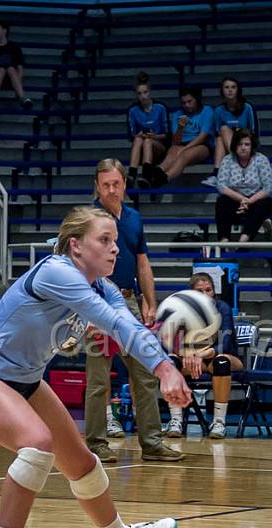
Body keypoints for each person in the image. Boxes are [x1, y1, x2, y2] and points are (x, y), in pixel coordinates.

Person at [0, 206, 192, 528]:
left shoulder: (103, 286)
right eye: (105, 240)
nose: (116, 249)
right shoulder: (57, 272)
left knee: (81, 463)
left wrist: (164, 362)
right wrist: (164, 369)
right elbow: (112, 322)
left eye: (117, 241)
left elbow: (127, 324)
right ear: (75, 246)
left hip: (26, 380)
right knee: (37, 444)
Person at [84, 159, 183, 462]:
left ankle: (152, 443)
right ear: (97, 187)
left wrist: (149, 301)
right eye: (106, 185)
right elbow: (75, 266)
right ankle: (97, 444)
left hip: (130, 303)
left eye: (116, 183)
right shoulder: (86, 219)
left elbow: (142, 262)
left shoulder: (134, 218)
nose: (112, 190)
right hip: (96, 302)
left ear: (125, 184)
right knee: (100, 379)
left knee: (145, 372)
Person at [163, 273, 242, 440]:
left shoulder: (222, 308)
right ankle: (176, 420)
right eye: (200, 291)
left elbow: (225, 343)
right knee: (170, 362)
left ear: (214, 291)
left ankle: (219, 422)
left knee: (222, 361)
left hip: (220, 356)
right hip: (192, 360)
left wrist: (200, 353)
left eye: (209, 290)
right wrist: (185, 353)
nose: (206, 294)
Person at [214, 129, 272, 243]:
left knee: (266, 203)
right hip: (235, 200)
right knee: (222, 201)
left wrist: (250, 201)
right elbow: (221, 186)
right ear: (234, 145)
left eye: (247, 144)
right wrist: (243, 199)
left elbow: (269, 187)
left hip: (256, 200)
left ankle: (244, 239)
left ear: (252, 146)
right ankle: (224, 242)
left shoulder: (261, 159)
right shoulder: (228, 160)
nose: (243, 147)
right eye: (240, 144)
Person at [148, 87, 213, 188]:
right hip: (181, 144)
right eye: (184, 103)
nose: (187, 105)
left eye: (189, 101)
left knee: (184, 155)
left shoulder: (207, 111)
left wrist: (185, 149)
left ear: (197, 99)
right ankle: (156, 172)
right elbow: (176, 142)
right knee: (172, 152)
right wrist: (180, 128)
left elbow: (203, 136)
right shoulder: (177, 114)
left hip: (201, 144)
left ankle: (163, 179)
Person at [204, 77, 259, 187]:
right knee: (221, 136)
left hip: (246, 142)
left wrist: (237, 132)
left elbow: (253, 131)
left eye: (233, 87)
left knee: (224, 129)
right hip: (226, 143)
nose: (230, 90)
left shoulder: (247, 107)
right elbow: (216, 132)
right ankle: (220, 173)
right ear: (222, 90)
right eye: (227, 87)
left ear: (238, 90)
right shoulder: (219, 110)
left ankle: (221, 172)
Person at [126, 72, 168, 189]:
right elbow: (131, 134)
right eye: (140, 93)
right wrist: (139, 134)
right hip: (141, 145)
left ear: (150, 92)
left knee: (148, 140)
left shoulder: (160, 108)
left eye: (145, 92)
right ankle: (132, 174)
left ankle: (146, 175)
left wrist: (153, 136)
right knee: (140, 139)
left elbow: (167, 134)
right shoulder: (133, 110)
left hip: (159, 145)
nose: (143, 96)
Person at [0, 21, 32, 109]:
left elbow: (20, 67)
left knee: (10, 68)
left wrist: (18, 81)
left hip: (10, 78)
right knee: (2, 69)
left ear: (4, 30)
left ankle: (21, 97)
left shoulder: (14, 47)